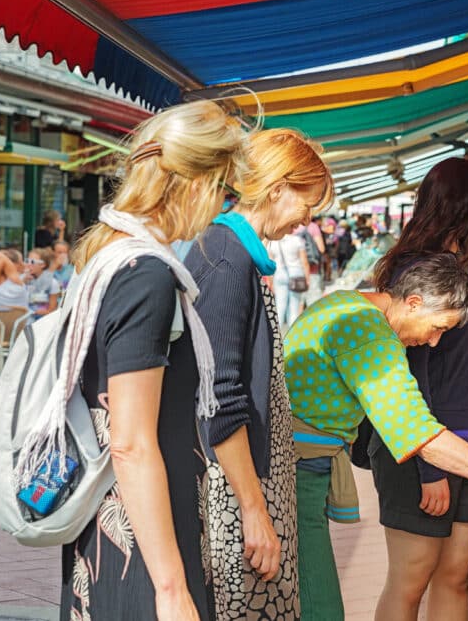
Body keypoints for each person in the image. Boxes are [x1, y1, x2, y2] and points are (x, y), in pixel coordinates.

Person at [56, 99, 246, 621]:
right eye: (223, 190)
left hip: (113, 516)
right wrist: (170, 585)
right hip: (140, 528)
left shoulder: (107, 252)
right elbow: (133, 442)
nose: (219, 208)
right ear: (194, 184)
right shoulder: (147, 273)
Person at [283, 254, 468, 621]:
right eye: (437, 327)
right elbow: (418, 432)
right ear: (414, 302)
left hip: (298, 463)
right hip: (299, 468)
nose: (434, 342)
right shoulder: (370, 334)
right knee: (319, 606)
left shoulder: (349, 305)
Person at [185, 128, 333, 620]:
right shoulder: (227, 260)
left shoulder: (239, 254)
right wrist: (254, 510)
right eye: (306, 204)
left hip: (251, 484)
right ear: (277, 189)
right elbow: (221, 399)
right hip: (236, 491)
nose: (308, 220)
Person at [368, 157, 468, 621]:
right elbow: (409, 377)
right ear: (467, 209)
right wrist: (428, 468)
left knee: (455, 575)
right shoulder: (419, 274)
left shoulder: (452, 268)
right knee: (410, 579)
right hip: (421, 451)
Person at [269, 228, 310, 330]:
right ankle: (293, 335)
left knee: (280, 305)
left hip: (279, 273)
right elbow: (304, 261)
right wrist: (307, 278)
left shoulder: (273, 242)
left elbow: (270, 263)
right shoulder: (297, 240)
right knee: (294, 306)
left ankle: (276, 335)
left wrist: (271, 282)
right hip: (296, 273)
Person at [25, 247, 61, 316]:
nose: (28, 264)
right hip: (23, 319)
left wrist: (33, 312)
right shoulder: (23, 279)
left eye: (32, 262)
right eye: (27, 261)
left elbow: (52, 311)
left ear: (42, 265)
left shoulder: (52, 283)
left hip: (40, 321)